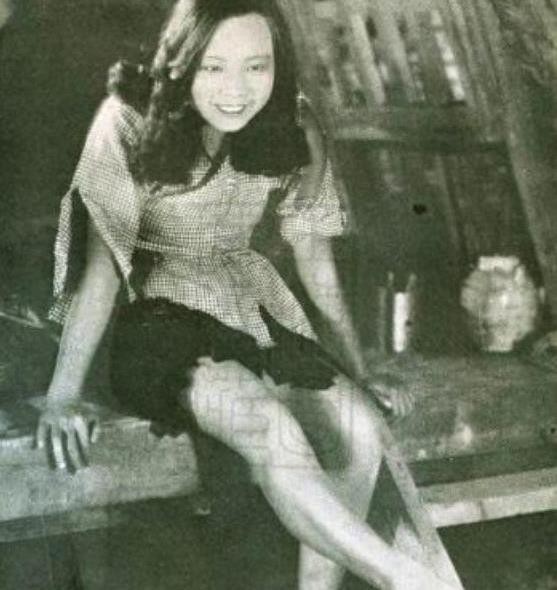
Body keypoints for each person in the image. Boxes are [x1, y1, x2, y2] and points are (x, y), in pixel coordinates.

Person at [36, 1, 458, 588]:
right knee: (271, 429)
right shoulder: (127, 116)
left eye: (256, 67)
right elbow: (103, 268)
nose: (235, 91)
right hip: (149, 317)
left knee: (360, 431)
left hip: (248, 303)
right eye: (213, 67)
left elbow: (314, 258)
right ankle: (406, 579)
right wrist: (62, 395)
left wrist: (359, 370)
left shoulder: (295, 122)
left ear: (278, 66)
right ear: (182, 61)